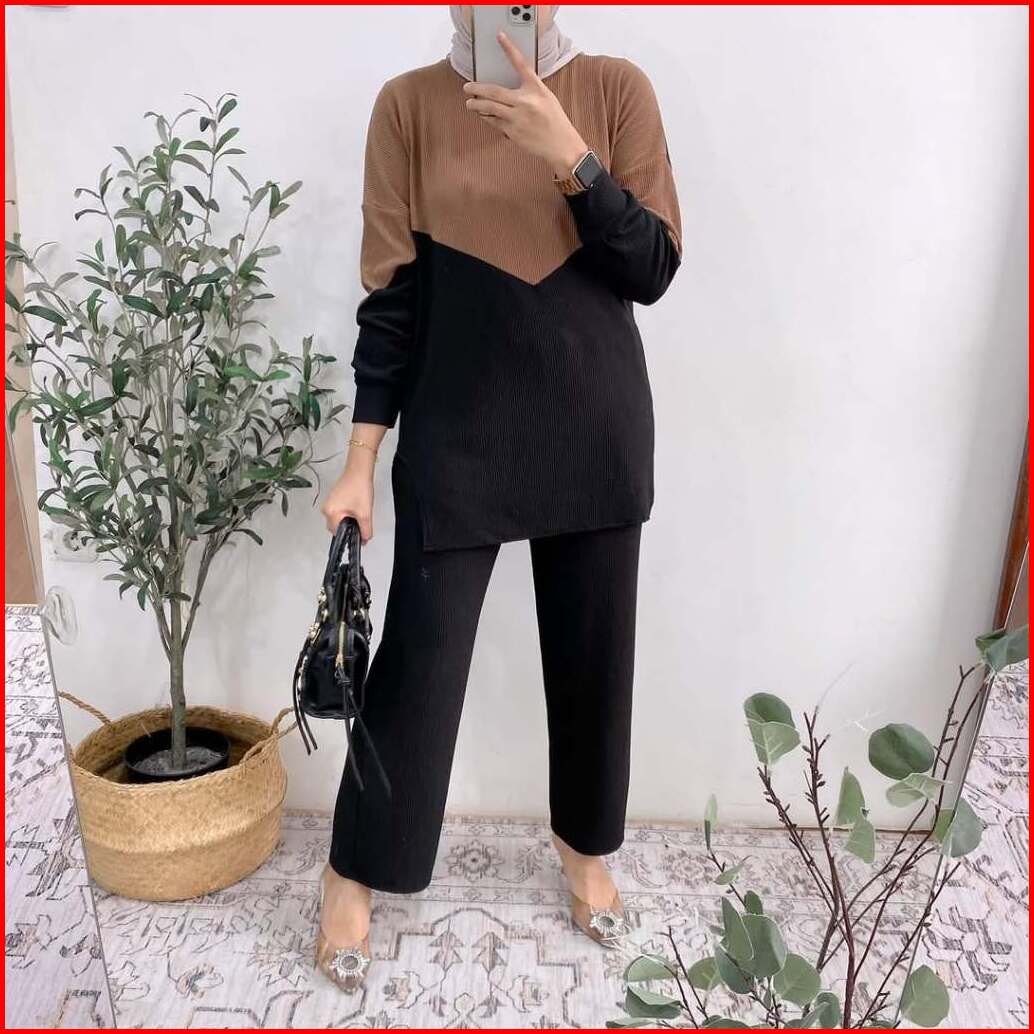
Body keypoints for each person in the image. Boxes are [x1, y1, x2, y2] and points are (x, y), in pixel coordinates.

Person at [316, 4, 681, 991]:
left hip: (595, 428)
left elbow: (651, 268)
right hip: (457, 435)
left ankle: (584, 849)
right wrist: (360, 458)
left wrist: (571, 157)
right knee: (416, 667)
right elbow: (391, 300)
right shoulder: (407, 108)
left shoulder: (615, 90)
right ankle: (356, 865)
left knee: (594, 662)